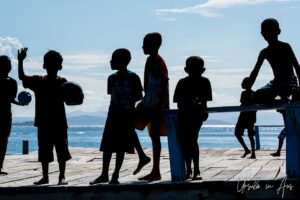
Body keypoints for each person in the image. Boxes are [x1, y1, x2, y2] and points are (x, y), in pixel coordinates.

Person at [18, 48, 71, 185]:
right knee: (47, 151)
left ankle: (58, 176)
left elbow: (22, 77)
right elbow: (23, 78)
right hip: (48, 122)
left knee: (58, 150)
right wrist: (20, 61)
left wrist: (20, 61)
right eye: (51, 64)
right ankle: (52, 177)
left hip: (53, 122)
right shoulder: (40, 80)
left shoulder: (61, 82)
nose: (52, 67)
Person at [90, 48, 143, 185]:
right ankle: (104, 174)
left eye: (113, 59)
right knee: (107, 146)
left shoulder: (133, 77)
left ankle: (115, 175)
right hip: (112, 115)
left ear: (122, 61)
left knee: (121, 147)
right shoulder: (111, 78)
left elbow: (138, 96)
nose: (110, 62)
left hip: (126, 116)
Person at [137, 32, 169, 181]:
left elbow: (163, 83)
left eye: (146, 43)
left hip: (155, 105)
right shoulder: (151, 60)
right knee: (153, 136)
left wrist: (160, 105)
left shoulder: (157, 61)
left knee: (155, 136)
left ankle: (155, 169)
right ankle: (147, 162)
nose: (142, 46)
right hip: (149, 102)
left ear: (155, 45)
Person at [173, 56, 212, 180]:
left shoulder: (204, 82)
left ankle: (195, 170)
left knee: (191, 141)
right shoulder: (183, 82)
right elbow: (178, 102)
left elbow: (205, 101)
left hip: (196, 116)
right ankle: (190, 170)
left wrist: (199, 106)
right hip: (185, 115)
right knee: (188, 142)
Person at [246, 18, 300, 103]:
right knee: (255, 95)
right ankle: (281, 101)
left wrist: (298, 87)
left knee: (258, 96)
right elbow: (255, 73)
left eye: (271, 31)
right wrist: (248, 87)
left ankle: (283, 100)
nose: (269, 34)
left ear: (278, 31)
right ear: (262, 34)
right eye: (267, 31)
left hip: (289, 84)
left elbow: (297, 67)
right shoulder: (264, 52)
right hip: (276, 84)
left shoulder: (285, 47)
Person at [0, 55, 23, 175]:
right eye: (4, 64)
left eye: (9, 65)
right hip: (4, 114)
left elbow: (12, 99)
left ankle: (0, 166)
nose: (7, 67)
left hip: (6, 114)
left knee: (4, 140)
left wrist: (20, 103)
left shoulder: (13, 82)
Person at [235, 77, 256, 159]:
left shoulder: (253, 93)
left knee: (250, 135)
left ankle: (253, 153)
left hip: (249, 117)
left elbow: (246, 103)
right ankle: (247, 150)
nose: (242, 84)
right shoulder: (243, 93)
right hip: (243, 116)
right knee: (237, 133)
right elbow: (243, 102)